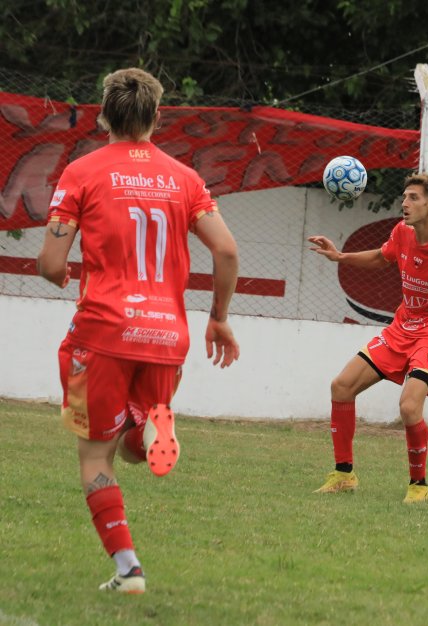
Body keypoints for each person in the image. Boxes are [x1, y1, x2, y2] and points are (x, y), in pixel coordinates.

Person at [36, 68, 240, 594]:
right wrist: (218, 317)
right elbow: (227, 250)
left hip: (102, 332)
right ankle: (154, 425)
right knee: (131, 444)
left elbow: (50, 262)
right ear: (155, 116)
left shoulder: (82, 171)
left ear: (104, 114)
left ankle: (128, 568)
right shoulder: (185, 178)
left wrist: (61, 272)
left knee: (96, 455)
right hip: (166, 335)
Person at [308, 173, 428, 504]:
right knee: (341, 386)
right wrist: (341, 257)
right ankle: (344, 474)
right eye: (404, 197)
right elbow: (381, 257)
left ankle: (419, 486)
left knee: (409, 406)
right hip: (401, 329)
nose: (404, 203)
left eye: (412, 197)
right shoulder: (401, 232)